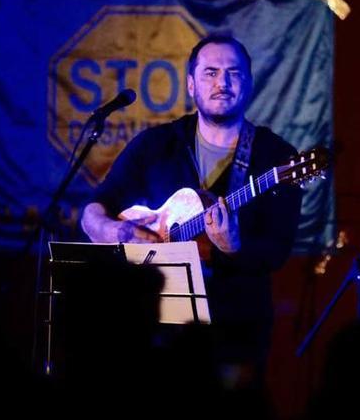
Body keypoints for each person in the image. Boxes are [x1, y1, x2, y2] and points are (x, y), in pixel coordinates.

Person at [80, 34, 303, 387]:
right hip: (156, 329)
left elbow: (278, 249)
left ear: (249, 82)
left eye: (234, 73)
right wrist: (118, 232)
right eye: (210, 73)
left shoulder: (277, 158)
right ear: (191, 84)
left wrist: (232, 247)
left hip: (235, 328)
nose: (222, 83)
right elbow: (94, 210)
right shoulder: (156, 144)